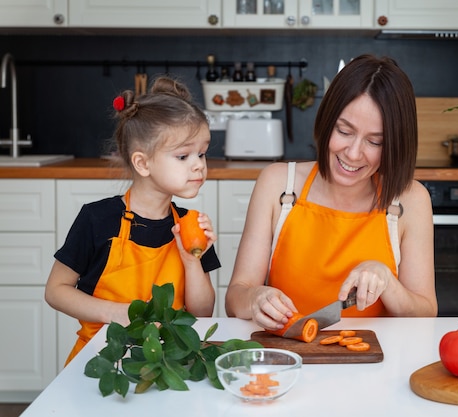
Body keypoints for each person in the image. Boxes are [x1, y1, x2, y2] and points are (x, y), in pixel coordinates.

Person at [225, 54, 437, 332]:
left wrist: (388, 282)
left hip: (376, 362)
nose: (353, 153)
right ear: (326, 121)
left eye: (375, 141)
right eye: (344, 131)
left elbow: (426, 315)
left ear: (396, 144)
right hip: (288, 358)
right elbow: (235, 298)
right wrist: (255, 298)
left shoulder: (410, 200)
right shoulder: (279, 185)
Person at [45, 76, 219, 364]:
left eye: (202, 153)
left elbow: (202, 313)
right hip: (100, 359)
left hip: (170, 363)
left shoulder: (192, 224)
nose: (199, 164)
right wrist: (115, 313)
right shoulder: (98, 218)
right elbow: (55, 291)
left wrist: (192, 260)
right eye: (183, 155)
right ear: (142, 163)